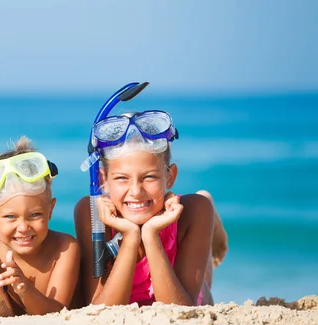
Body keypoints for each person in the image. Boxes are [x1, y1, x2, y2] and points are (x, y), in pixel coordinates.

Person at [74, 110, 228, 307]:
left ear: (170, 177)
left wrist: (151, 234)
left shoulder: (194, 211)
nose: (136, 191)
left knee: (200, 209)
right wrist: (130, 236)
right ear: (103, 180)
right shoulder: (92, 214)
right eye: (122, 178)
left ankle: (208, 204)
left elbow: (181, 309)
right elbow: (100, 308)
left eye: (149, 177)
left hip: (187, 292)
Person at [0, 137, 80, 316]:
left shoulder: (65, 248)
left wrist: (25, 290)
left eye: (35, 215)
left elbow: (57, 313)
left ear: (50, 209)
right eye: (10, 217)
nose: (23, 227)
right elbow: (0, 318)